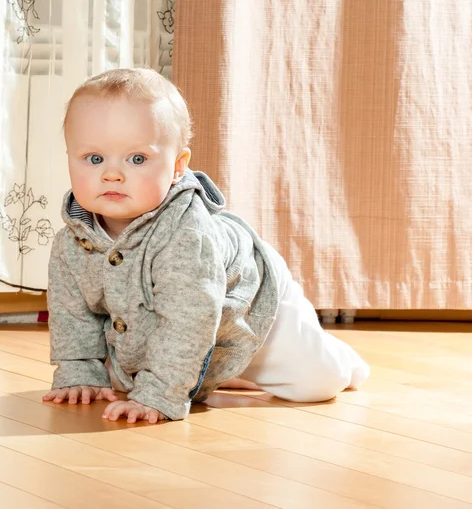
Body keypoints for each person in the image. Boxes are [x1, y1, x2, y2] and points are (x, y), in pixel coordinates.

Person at [42, 68, 369, 423]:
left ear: (178, 166)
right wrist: (78, 372)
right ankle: (215, 372)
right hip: (169, 330)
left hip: (251, 310)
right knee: (123, 376)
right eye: (94, 159)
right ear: (69, 158)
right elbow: (73, 314)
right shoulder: (72, 242)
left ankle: (340, 359)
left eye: (137, 159)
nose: (112, 174)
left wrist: (158, 395)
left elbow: (188, 319)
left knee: (313, 386)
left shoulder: (187, 238)